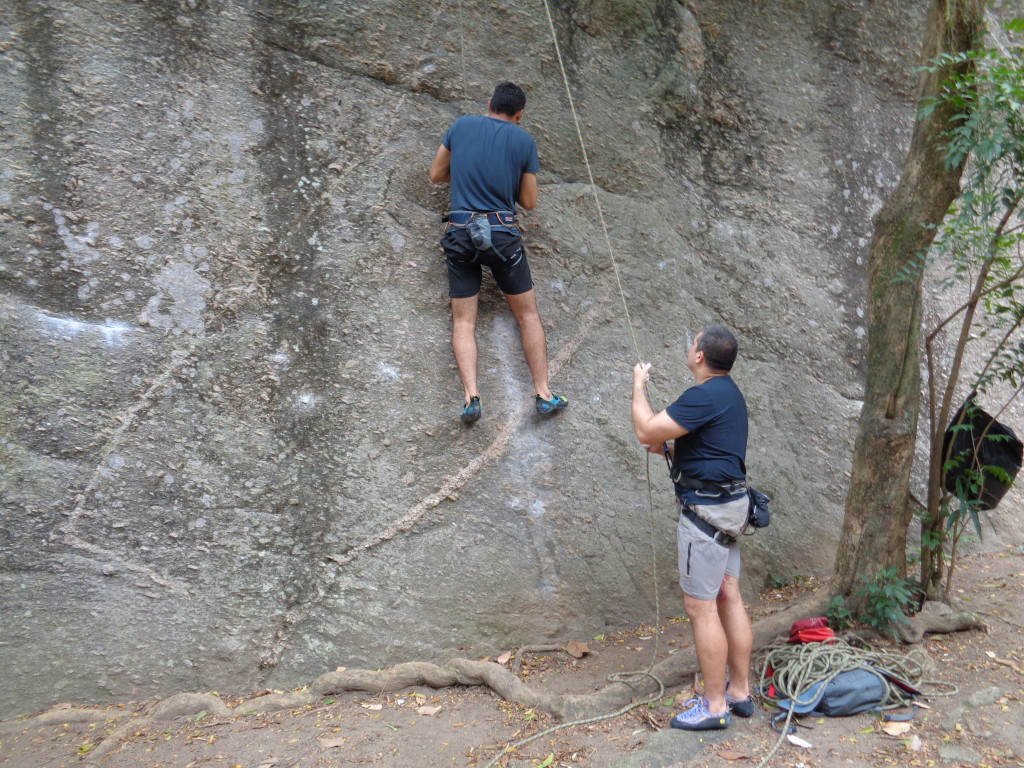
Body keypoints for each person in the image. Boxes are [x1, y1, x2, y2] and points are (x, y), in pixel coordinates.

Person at [630, 325, 755, 731]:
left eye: (692, 343)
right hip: (733, 508)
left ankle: (715, 705)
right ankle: (740, 691)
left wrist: (638, 385)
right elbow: (709, 444)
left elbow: (646, 431)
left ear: (699, 356)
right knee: (729, 596)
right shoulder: (729, 393)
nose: (689, 347)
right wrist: (674, 447)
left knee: (700, 609)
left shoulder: (703, 395)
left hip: (707, 514)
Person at [428, 81, 567, 424]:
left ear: (489, 103)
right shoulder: (523, 140)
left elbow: (435, 174)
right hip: (503, 236)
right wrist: (504, 181)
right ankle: (544, 394)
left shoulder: (461, 125)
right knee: (528, 316)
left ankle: (471, 396)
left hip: (460, 234)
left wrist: (465, 178)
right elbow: (530, 201)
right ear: (519, 115)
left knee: (464, 320)